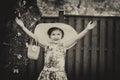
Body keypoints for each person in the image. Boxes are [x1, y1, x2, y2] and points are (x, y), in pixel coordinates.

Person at [15, 17, 97, 80]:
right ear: (50, 36)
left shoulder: (64, 45)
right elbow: (33, 36)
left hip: (59, 74)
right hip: (46, 73)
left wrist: (87, 29)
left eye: (58, 34)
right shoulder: (47, 44)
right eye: (53, 34)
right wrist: (23, 27)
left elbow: (76, 38)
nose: (56, 36)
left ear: (62, 36)